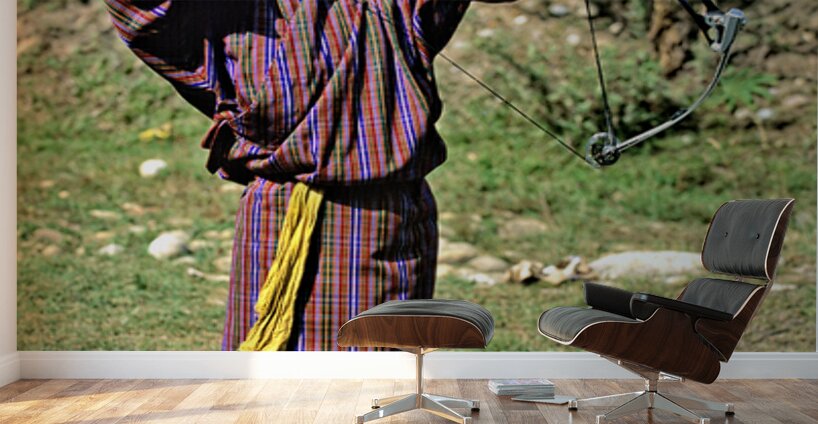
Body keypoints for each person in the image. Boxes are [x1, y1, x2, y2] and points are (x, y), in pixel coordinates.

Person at [105, 0, 511, 351]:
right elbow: (140, 15)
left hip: (383, 224)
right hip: (274, 217)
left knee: (374, 381)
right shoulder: (236, 11)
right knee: (265, 390)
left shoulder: (400, 7)